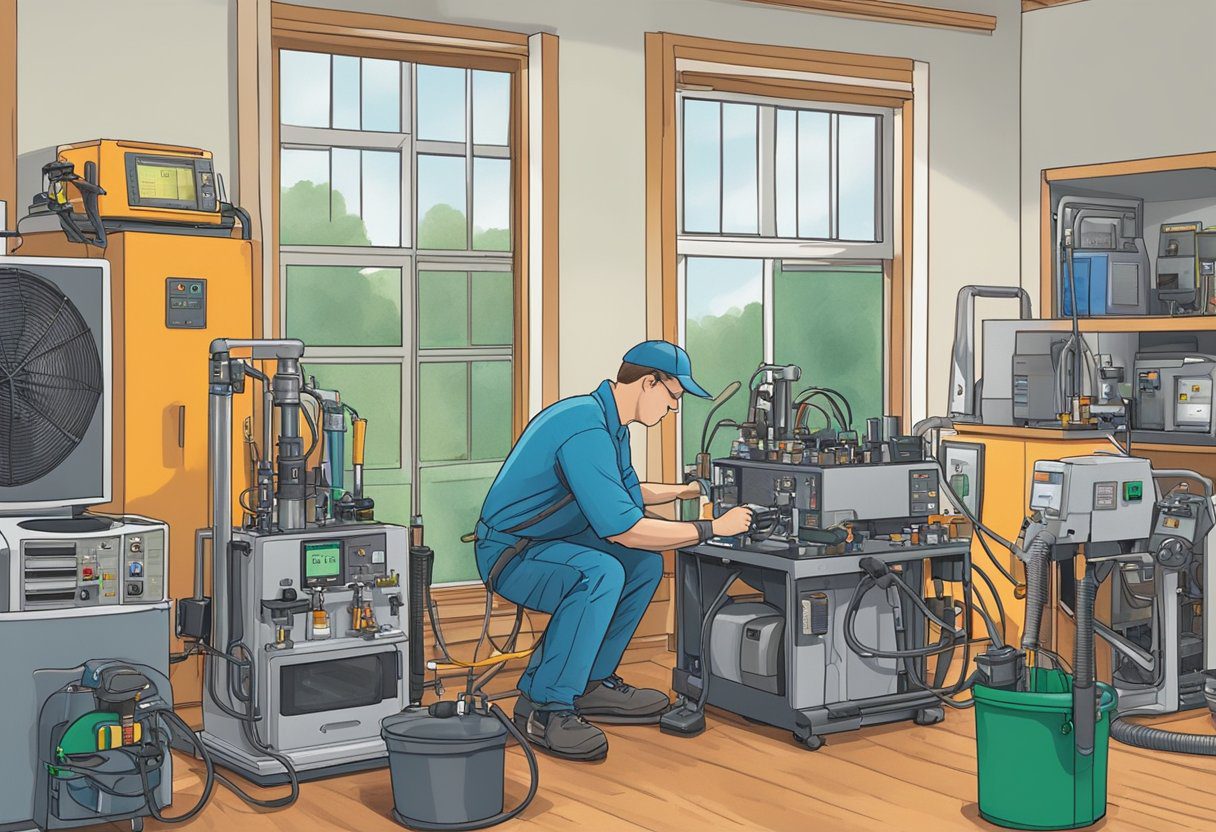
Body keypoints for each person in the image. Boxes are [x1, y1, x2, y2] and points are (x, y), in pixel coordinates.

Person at [474, 340, 754, 761]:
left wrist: (688, 490)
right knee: (600, 571)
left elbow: (627, 494)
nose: (673, 410)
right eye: (673, 397)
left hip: (552, 541)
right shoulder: (584, 428)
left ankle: (590, 682)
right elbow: (624, 528)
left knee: (642, 565)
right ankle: (545, 707)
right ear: (649, 382)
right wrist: (711, 528)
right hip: (511, 553)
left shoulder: (610, 424)